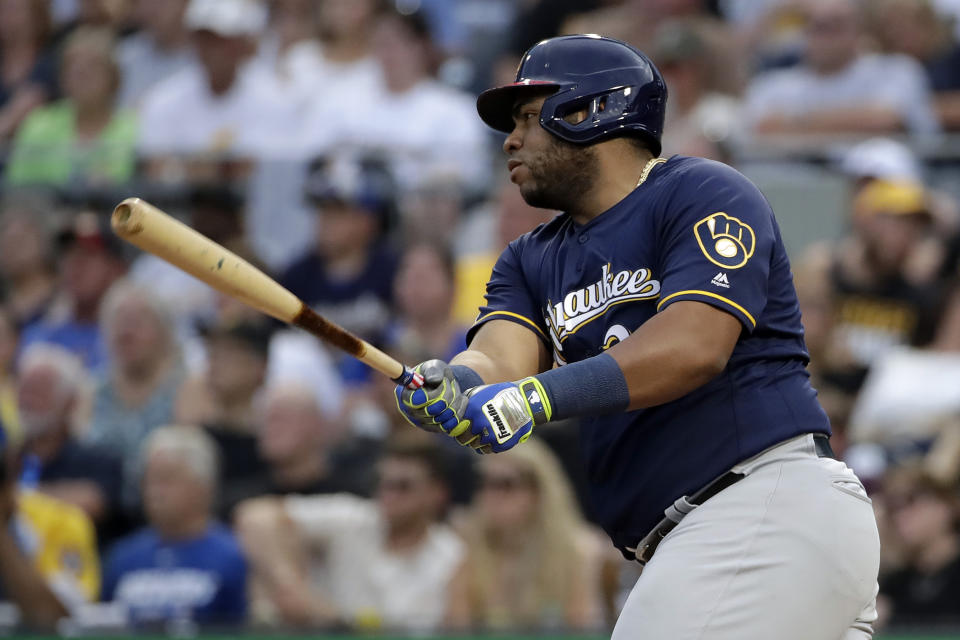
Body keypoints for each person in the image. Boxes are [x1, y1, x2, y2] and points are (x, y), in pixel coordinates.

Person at [396, 34, 880, 639]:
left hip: (759, 504)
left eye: (526, 117)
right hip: (709, 540)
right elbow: (500, 354)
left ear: (591, 110)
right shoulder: (528, 258)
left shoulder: (700, 191)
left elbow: (692, 346)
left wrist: (534, 399)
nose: (510, 140)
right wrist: (457, 383)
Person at [235, 439, 463, 632]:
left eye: (403, 486)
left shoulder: (451, 555)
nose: (388, 494)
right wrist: (292, 587)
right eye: (383, 483)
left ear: (437, 493)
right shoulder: (352, 519)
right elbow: (254, 517)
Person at [446, 438, 605, 631]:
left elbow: (583, 632)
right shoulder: (471, 551)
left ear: (539, 490)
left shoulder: (580, 551)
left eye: (506, 484)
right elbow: (456, 631)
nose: (490, 495)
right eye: (484, 483)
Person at [101, 425, 247, 627]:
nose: (154, 492)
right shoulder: (123, 556)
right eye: (148, 480)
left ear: (203, 486)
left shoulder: (234, 556)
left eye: (166, 479)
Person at [743, 0, 940, 136]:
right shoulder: (772, 83)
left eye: (834, 26)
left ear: (860, 30)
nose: (823, 37)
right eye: (816, 26)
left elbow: (885, 120)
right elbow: (762, 127)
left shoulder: (898, 70)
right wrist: (855, 119)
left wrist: (794, 124)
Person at [84, 281, 183, 521]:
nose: (127, 331)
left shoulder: (189, 387)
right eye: (118, 320)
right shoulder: (88, 390)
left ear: (164, 331)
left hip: (166, 514)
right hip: (103, 516)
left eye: (139, 320)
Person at [5, 27, 138, 187]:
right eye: (73, 68)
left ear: (113, 76)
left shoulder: (134, 127)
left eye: (92, 68)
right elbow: (19, 189)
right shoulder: (39, 123)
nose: (82, 76)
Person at [17, 344, 122, 535]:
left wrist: (14, 496)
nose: (27, 399)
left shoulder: (97, 458)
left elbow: (92, 503)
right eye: (24, 389)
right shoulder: (9, 453)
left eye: (39, 390)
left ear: (69, 402)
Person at [19, 212, 127, 374]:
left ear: (116, 268)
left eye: (88, 255)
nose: (75, 265)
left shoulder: (131, 335)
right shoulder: (39, 338)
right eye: (68, 255)